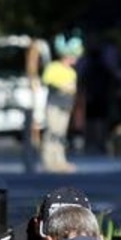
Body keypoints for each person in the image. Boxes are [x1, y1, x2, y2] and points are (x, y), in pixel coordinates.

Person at [40, 34, 82, 173]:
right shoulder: (53, 67)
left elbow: (73, 88)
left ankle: (60, 160)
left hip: (66, 105)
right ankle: (48, 160)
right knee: (52, 132)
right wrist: (61, 86)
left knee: (61, 133)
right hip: (54, 104)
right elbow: (46, 81)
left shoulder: (72, 72)